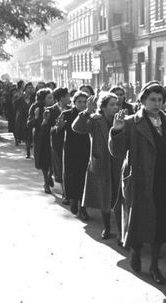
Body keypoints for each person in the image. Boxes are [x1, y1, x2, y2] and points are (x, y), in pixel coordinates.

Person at [109, 81, 166, 285]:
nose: (156, 103)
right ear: (142, 100)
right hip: (140, 179)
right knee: (139, 220)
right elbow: (116, 152)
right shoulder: (131, 122)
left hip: (164, 178)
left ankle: (154, 266)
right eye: (152, 99)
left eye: (160, 100)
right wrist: (116, 131)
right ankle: (135, 250)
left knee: (160, 222)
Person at [72, 92, 123, 241]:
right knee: (104, 197)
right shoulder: (95, 120)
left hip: (117, 163)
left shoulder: (120, 120)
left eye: (116, 104)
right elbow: (77, 128)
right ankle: (107, 227)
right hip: (101, 162)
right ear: (103, 107)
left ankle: (121, 231)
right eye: (112, 104)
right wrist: (87, 111)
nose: (115, 107)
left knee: (119, 197)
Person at [57, 91, 91, 219]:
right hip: (71, 150)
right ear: (74, 102)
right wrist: (59, 127)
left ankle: (83, 208)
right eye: (79, 102)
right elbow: (56, 132)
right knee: (72, 177)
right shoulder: (66, 114)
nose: (82, 104)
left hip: (86, 149)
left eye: (85, 102)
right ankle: (73, 200)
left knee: (84, 177)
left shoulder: (91, 115)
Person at [28, 88, 55, 193]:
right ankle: (46, 182)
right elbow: (29, 124)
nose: (52, 100)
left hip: (53, 135)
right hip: (41, 137)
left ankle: (50, 175)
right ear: (43, 99)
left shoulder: (54, 108)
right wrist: (36, 117)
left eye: (52, 97)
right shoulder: (35, 107)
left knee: (53, 160)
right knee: (44, 161)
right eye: (49, 98)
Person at [48, 87, 72, 204]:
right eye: (68, 96)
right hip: (57, 144)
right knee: (61, 168)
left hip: (70, 143)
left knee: (68, 167)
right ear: (62, 98)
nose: (69, 98)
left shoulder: (71, 110)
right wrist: (58, 127)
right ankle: (65, 194)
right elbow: (47, 129)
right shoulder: (50, 111)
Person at [14, 82, 35, 157]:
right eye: (28, 87)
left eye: (31, 87)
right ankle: (28, 150)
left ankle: (30, 147)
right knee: (26, 134)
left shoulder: (35, 98)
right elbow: (15, 106)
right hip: (23, 119)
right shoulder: (21, 98)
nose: (30, 89)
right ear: (25, 89)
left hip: (32, 118)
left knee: (31, 134)